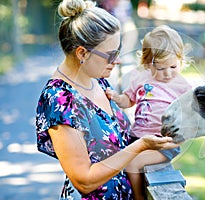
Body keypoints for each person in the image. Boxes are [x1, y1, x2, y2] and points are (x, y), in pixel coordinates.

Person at [35, 1, 179, 199]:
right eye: (111, 55)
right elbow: (84, 181)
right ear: (82, 53)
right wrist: (140, 146)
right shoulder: (59, 99)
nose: (117, 61)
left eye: (118, 52)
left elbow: (118, 139)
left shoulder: (98, 81)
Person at [106, 25, 192, 199]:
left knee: (132, 164)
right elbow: (128, 100)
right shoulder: (140, 78)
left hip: (164, 143)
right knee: (116, 159)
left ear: (180, 60)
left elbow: (190, 118)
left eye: (173, 66)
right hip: (137, 138)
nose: (167, 73)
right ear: (147, 64)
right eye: (160, 68)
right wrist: (116, 98)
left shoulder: (183, 87)